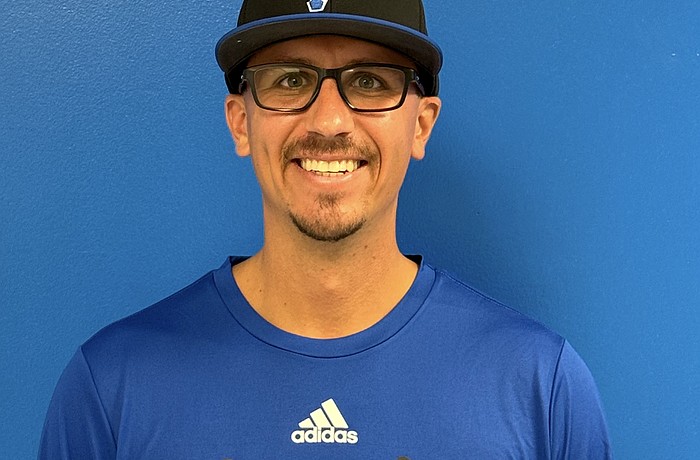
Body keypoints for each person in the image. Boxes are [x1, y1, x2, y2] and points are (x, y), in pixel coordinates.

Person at [39, 0, 612, 458]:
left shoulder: (540, 387)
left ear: (421, 125)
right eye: (291, 80)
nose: (331, 120)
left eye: (370, 82)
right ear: (241, 123)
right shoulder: (112, 388)